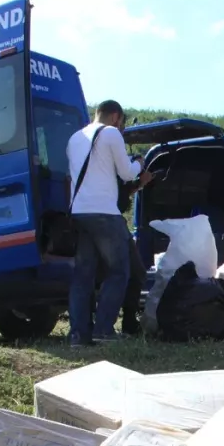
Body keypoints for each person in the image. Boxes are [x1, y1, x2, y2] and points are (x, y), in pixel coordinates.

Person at [65, 99, 153, 346]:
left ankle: (77, 335)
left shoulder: (74, 138)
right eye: (122, 123)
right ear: (116, 117)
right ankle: (103, 329)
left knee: (83, 276)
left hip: (79, 213)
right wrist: (139, 163)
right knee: (119, 271)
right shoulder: (111, 133)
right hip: (103, 213)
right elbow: (126, 173)